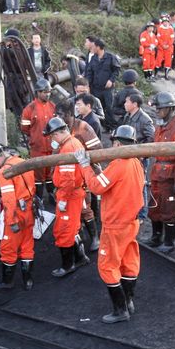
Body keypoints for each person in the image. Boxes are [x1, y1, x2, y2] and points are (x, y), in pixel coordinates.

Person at [73, 125, 144, 323]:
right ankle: (129, 302)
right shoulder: (135, 162)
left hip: (115, 225)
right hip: (131, 222)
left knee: (107, 265)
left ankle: (120, 310)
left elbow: (96, 187)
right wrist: (97, 169)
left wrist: (84, 166)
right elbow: (111, 183)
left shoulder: (119, 164)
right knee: (129, 261)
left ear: (118, 144)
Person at [44, 117, 90, 277]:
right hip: (75, 193)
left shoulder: (67, 148)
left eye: (52, 136)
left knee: (63, 231)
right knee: (73, 227)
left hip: (69, 195)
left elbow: (68, 179)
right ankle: (81, 257)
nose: (52, 139)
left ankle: (67, 265)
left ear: (58, 133)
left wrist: (62, 199)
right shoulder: (74, 143)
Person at [0, 144, 36, 290]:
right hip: (29, 209)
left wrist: (11, 221)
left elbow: (9, 199)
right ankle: (28, 282)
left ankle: (7, 283)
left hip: (16, 213)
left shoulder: (4, 172)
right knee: (27, 245)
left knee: (8, 248)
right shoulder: (21, 162)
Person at [57, 99, 103, 253]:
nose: (57, 116)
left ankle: (95, 237)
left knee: (86, 208)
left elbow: (98, 151)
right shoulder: (59, 129)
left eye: (60, 114)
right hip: (68, 175)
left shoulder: (83, 128)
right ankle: (78, 236)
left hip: (85, 173)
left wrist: (84, 163)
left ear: (69, 114)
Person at [146, 92, 175, 253]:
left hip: (170, 178)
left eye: (160, 108)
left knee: (170, 209)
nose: (157, 111)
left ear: (170, 108)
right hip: (157, 174)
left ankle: (169, 242)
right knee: (155, 207)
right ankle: (156, 237)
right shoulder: (161, 126)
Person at [20, 78, 56, 202]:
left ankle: (52, 197)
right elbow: (25, 128)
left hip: (52, 148)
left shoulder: (53, 107)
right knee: (38, 176)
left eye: (49, 91)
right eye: (45, 92)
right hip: (38, 149)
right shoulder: (29, 109)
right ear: (38, 92)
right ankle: (39, 199)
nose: (48, 94)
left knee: (51, 173)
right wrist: (36, 137)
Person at [86, 38, 121, 130]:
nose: (92, 48)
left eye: (93, 46)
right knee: (98, 108)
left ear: (98, 47)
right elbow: (89, 73)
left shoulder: (110, 57)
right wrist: (88, 85)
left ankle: (112, 127)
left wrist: (111, 80)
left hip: (107, 89)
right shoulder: (93, 58)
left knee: (109, 107)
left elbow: (116, 70)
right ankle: (103, 126)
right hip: (96, 88)